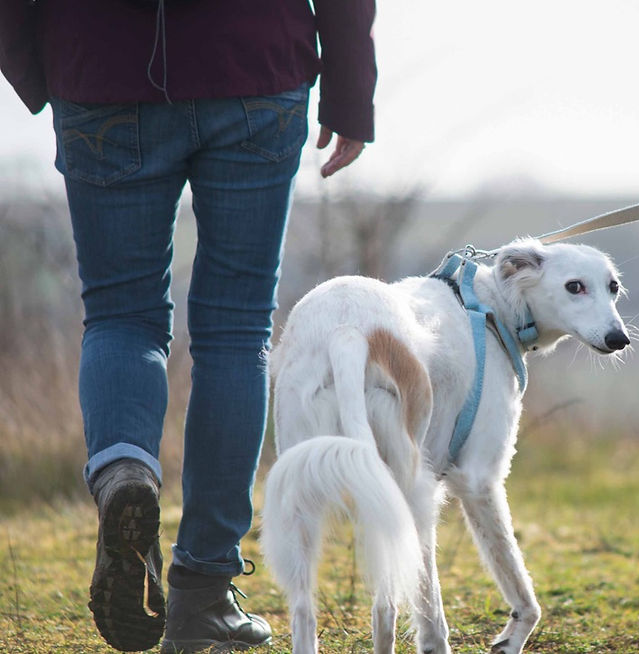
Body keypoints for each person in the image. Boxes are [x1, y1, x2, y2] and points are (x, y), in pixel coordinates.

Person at [0, 0, 376, 651]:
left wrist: (40, 63)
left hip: (99, 68)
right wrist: (350, 89)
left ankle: (124, 472)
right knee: (236, 333)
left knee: (122, 317)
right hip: (257, 65)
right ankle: (203, 588)